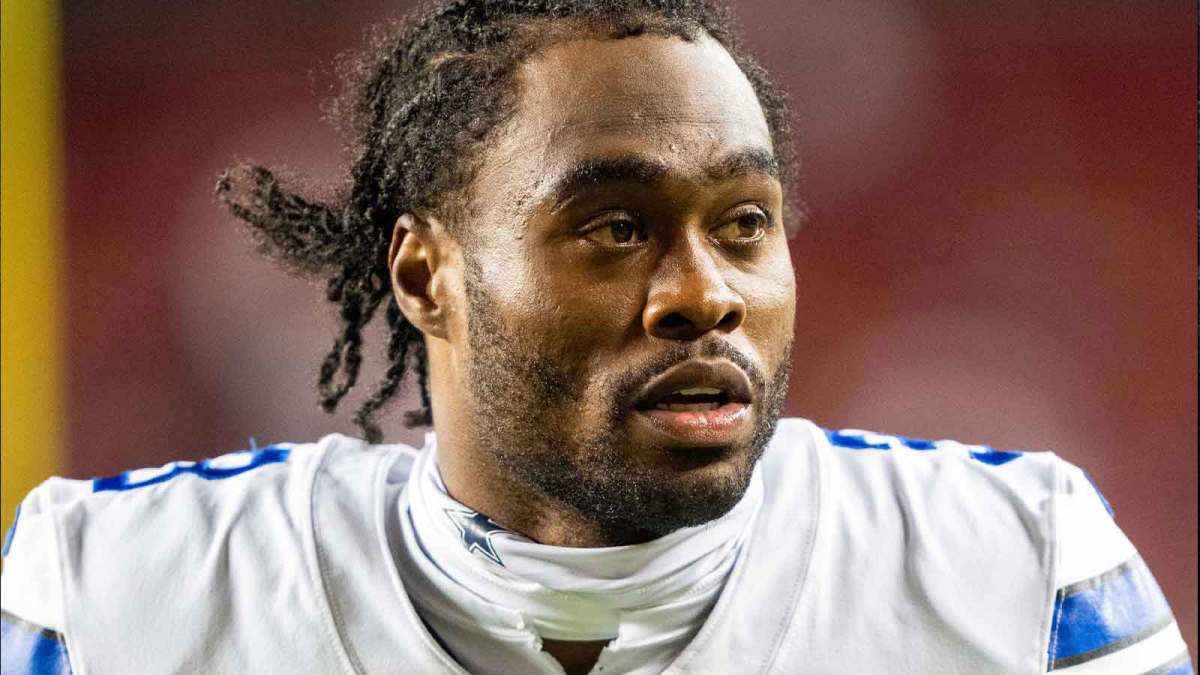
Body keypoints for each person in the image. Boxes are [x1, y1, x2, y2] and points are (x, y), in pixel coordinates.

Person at [1, 1, 1191, 673]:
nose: (703, 293)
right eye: (615, 227)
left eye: (743, 224)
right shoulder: (120, 592)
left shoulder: (1016, 573)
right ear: (426, 273)